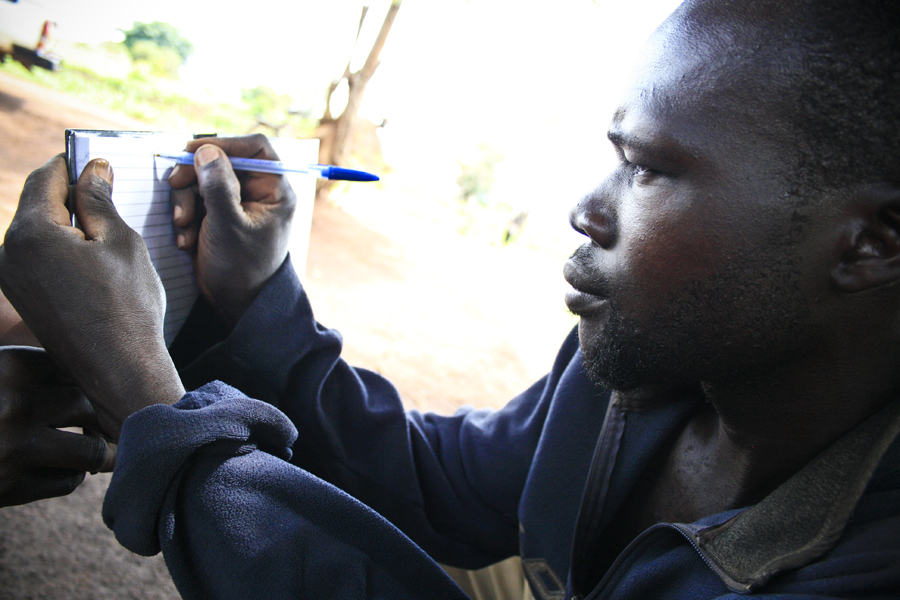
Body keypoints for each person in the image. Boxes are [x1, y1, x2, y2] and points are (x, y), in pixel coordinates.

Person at [2, 0, 900, 597]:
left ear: (870, 245)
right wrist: (251, 301)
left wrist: (153, 404)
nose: (586, 210)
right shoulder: (644, 359)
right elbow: (441, 488)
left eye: (648, 169)